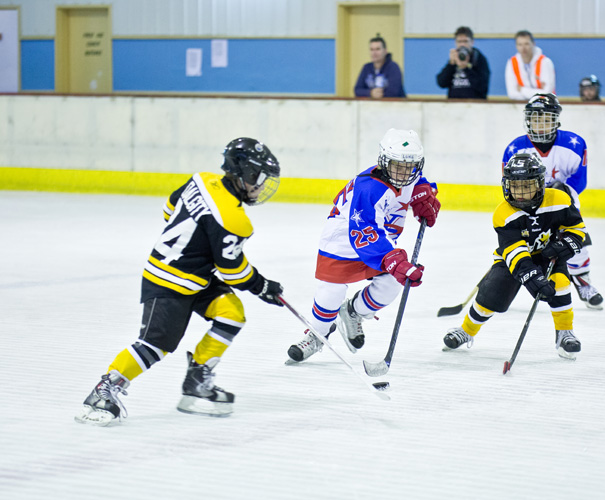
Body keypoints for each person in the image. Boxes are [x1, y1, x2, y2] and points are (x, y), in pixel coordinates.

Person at [75, 138, 285, 426]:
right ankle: (105, 391)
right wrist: (262, 285)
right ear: (245, 174)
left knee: (231, 314)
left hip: (193, 276)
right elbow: (232, 271)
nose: (261, 186)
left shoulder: (201, 180)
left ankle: (198, 381)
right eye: (259, 178)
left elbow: (169, 209)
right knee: (155, 345)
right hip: (168, 282)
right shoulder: (234, 219)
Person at [287, 129, 440, 362]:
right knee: (331, 293)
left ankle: (353, 312)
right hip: (343, 241)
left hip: (379, 241)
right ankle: (318, 333)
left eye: (411, 166)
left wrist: (423, 192)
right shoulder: (369, 189)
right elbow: (364, 231)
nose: (404, 172)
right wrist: (393, 259)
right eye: (398, 165)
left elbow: (417, 182)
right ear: (384, 161)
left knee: (391, 284)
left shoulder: (408, 176)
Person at [442, 152, 586, 360]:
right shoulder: (504, 214)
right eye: (515, 186)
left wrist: (567, 244)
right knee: (491, 296)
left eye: (526, 186)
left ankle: (564, 332)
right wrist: (532, 278)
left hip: (549, 256)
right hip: (513, 259)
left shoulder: (560, 200)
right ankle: (466, 330)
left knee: (561, 283)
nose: (520, 193)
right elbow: (516, 254)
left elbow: (577, 228)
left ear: (540, 183)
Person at [501, 93, 603, 309]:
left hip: (563, 204)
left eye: (546, 119)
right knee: (521, 248)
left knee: (575, 242)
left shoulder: (574, 144)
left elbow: (579, 180)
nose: (541, 124)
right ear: (528, 120)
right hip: (528, 207)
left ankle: (583, 282)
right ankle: (503, 288)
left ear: (555, 120)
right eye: (536, 119)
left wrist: (561, 191)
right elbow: (509, 183)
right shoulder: (514, 149)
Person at [436, 26, 490, 100]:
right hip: (454, 104)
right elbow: (441, 83)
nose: (462, 45)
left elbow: (483, 88)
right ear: (455, 43)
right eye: (459, 42)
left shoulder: (478, 58)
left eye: (465, 41)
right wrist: (451, 64)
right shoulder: (455, 59)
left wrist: (466, 68)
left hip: (475, 104)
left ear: (472, 42)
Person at [504, 30, 556, 101]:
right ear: (516, 46)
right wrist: (538, 92)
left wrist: (522, 90)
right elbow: (512, 94)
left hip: (546, 106)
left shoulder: (545, 62)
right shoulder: (512, 63)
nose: (523, 48)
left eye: (526, 44)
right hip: (521, 106)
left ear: (533, 44)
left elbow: (547, 94)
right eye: (520, 44)